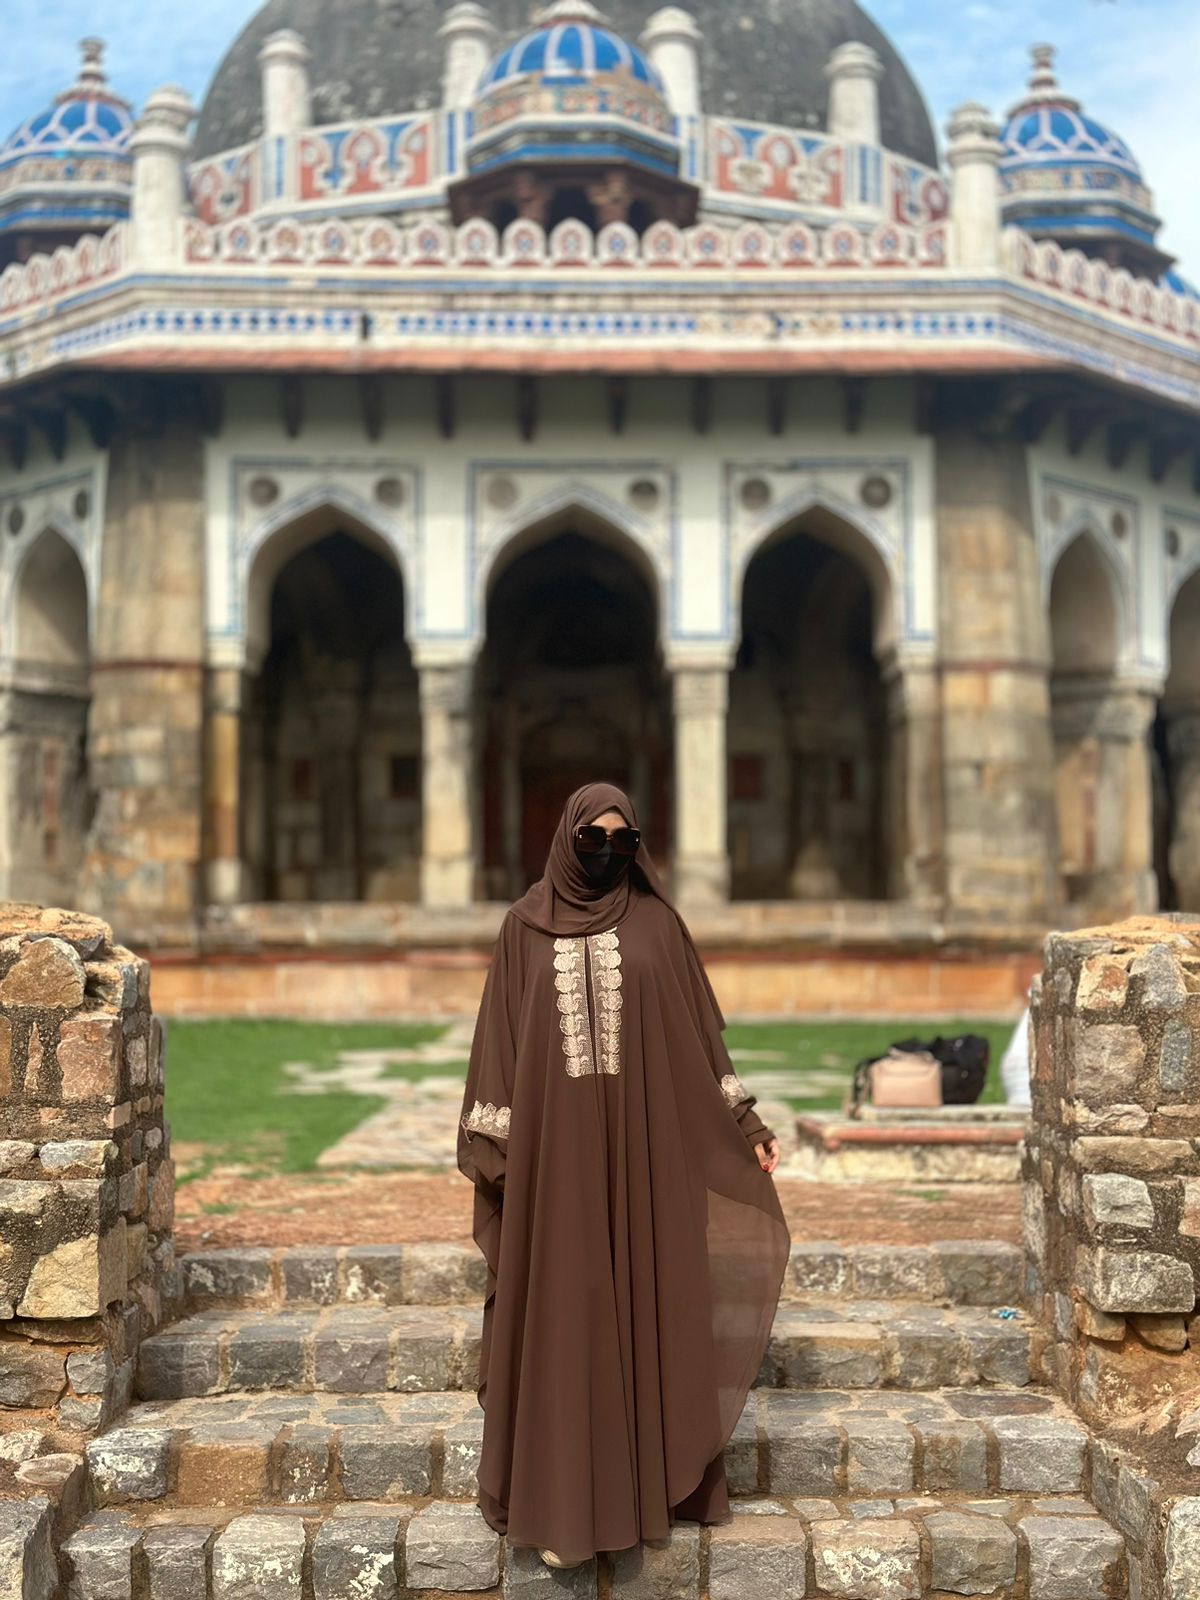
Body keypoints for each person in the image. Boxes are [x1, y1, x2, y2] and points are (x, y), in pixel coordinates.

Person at [456, 781, 789, 1569]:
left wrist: (746, 1124)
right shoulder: (522, 929)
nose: (607, 856)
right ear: (566, 841)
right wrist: (494, 1149)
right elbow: (499, 1045)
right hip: (555, 1165)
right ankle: (565, 1508)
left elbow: (702, 1046)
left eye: (623, 843)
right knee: (568, 1317)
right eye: (592, 842)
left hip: (644, 1158)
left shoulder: (659, 927)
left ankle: (646, 1489)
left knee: (646, 1303)